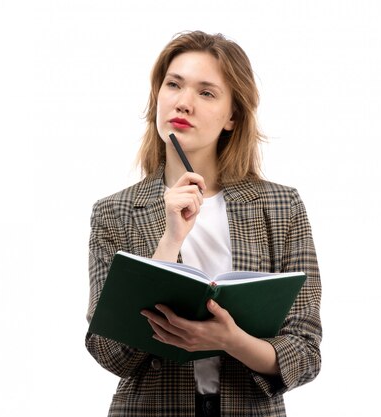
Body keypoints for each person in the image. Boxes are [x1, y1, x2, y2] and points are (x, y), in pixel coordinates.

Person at [85, 30, 322, 417]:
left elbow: (305, 353)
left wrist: (231, 340)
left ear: (232, 116)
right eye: (173, 84)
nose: (183, 102)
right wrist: (169, 240)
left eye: (206, 92)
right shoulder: (115, 211)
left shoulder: (281, 206)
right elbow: (109, 351)